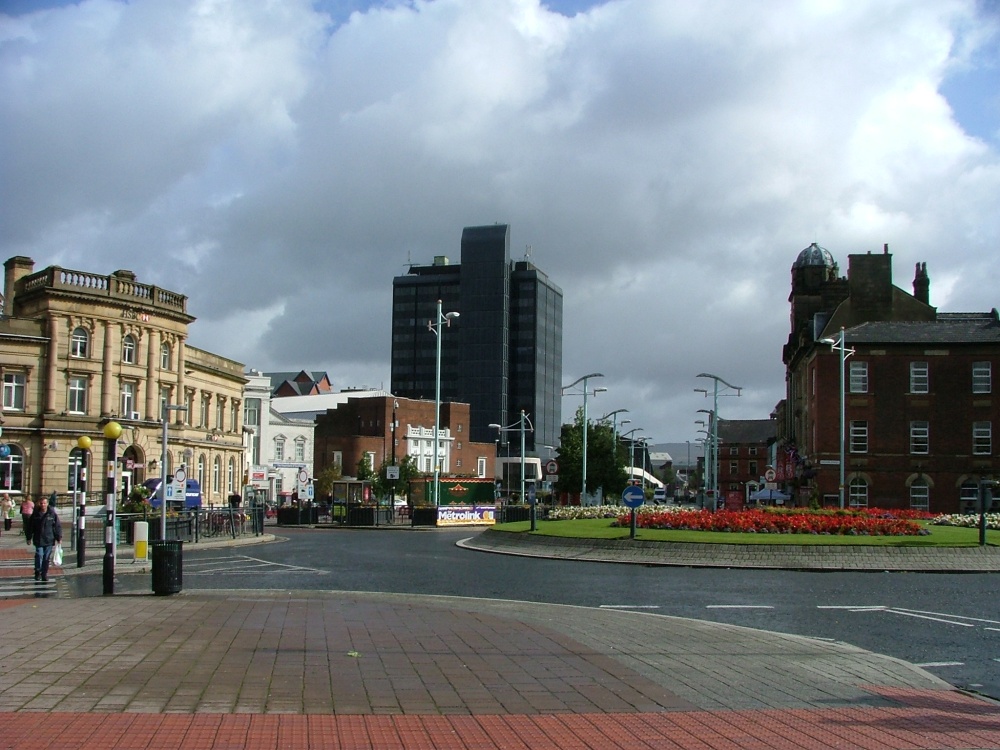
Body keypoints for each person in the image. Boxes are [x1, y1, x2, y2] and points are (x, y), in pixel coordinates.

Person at [28, 495, 62, 582]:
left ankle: (44, 573)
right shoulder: (35, 514)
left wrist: (59, 537)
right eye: (41, 503)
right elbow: (30, 527)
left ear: (47, 504)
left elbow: (57, 526)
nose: (43, 505)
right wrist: (29, 537)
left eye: (44, 503)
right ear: (39, 504)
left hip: (49, 539)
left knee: (46, 558)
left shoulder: (52, 514)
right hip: (38, 539)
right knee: (39, 555)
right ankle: (38, 571)